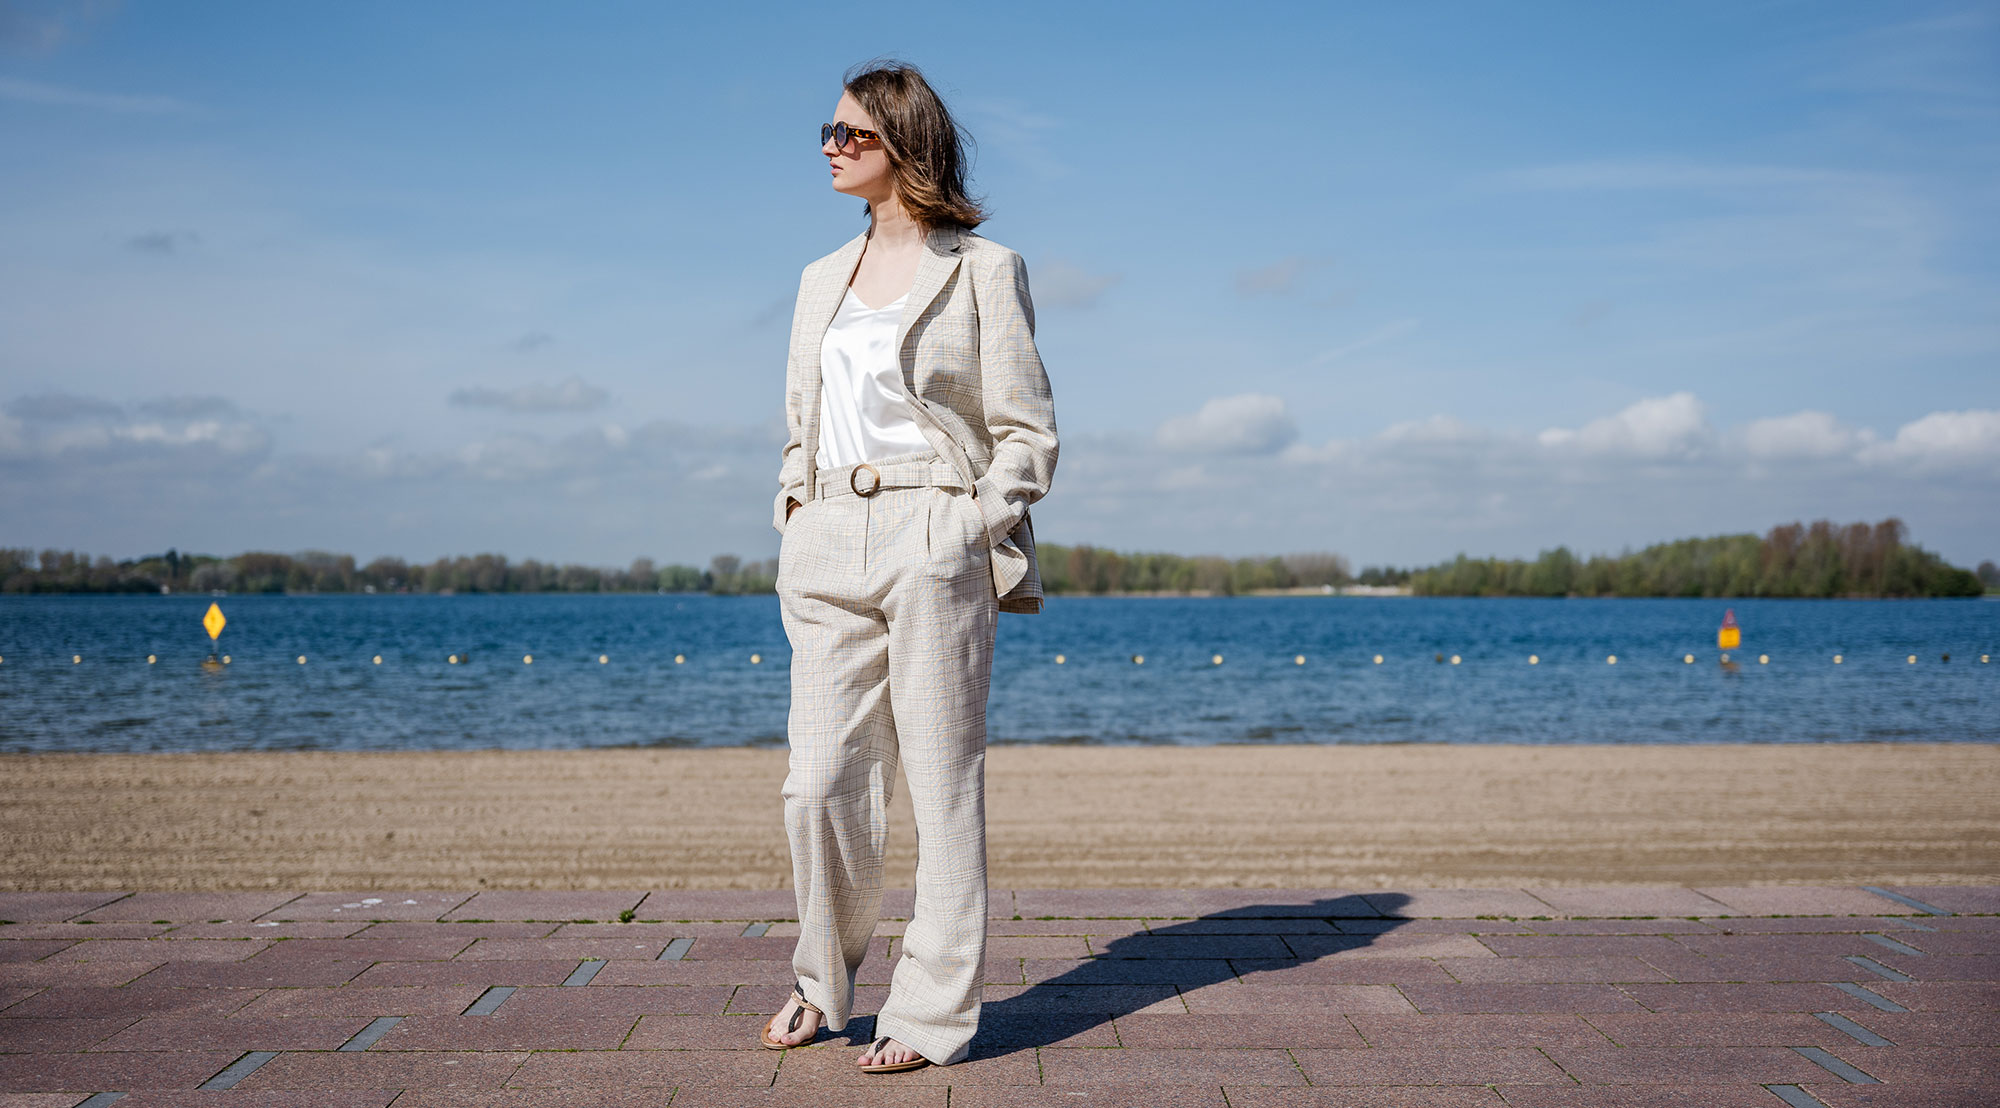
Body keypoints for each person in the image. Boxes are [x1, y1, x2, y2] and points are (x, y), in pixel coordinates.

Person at [760, 58, 1058, 1073]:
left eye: (852, 135)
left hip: (933, 532)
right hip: (826, 536)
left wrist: (977, 521)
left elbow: (1026, 427)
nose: (832, 149)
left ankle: (929, 1015)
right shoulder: (814, 281)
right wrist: (793, 505)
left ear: (904, 146)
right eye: (828, 133)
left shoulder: (982, 268)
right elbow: (799, 417)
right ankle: (821, 979)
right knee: (818, 782)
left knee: (940, 784)